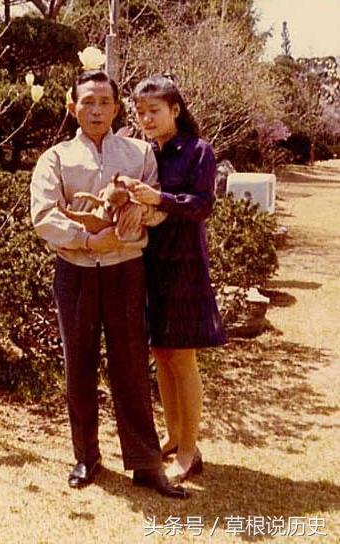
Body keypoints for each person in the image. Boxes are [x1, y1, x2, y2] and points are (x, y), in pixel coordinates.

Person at [30, 70, 189, 499]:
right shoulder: (55, 159)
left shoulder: (140, 153)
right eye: (87, 102)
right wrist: (86, 239)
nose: (97, 110)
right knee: (78, 366)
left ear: (117, 109)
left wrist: (142, 212)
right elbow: (44, 215)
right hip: (75, 272)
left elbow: (159, 204)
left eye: (105, 102)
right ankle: (87, 457)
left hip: (126, 270)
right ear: (72, 107)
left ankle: (146, 464)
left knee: (132, 366)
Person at [131, 75, 227, 482]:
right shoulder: (145, 153)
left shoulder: (198, 150)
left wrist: (160, 199)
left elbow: (202, 205)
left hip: (185, 265)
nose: (146, 119)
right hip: (149, 262)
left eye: (154, 111)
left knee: (182, 358)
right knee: (161, 352)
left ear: (175, 110)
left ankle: (189, 452)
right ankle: (173, 436)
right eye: (140, 112)